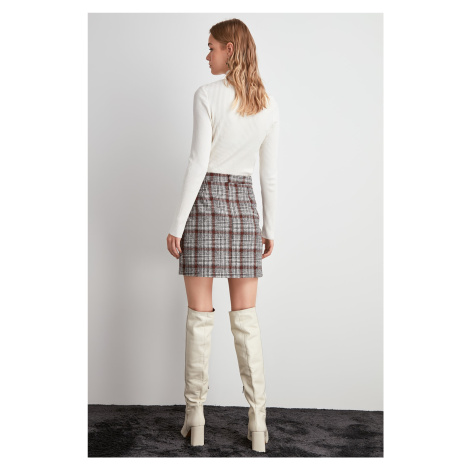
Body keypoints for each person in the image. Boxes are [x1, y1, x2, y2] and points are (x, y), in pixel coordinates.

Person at [166, 18, 279, 453]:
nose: (207, 54)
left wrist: (177, 224)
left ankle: (195, 416)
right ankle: (259, 423)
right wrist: (270, 228)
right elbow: (268, 176)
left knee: (200, 319)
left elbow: (198, 162)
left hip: (205, 207)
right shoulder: (267, 104)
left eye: (211, 46)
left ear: (230, 49)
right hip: (245, 211)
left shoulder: (206, 95)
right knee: (246, 321)